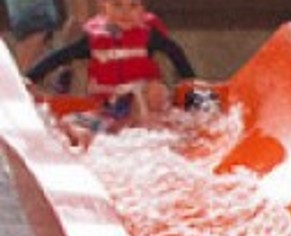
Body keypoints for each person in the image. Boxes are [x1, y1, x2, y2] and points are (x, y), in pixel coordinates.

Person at [22, 0, 195, 143]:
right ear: (104, 7)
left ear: (142, 11)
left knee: (157, 90)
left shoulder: (148, 35)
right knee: (74, 125)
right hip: (107, 104)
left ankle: (154, 131)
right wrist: (30, 77)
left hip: (140, 99)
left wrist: (190, 80)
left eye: (133, 6)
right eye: (117, 5)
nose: (124, 13)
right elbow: (60, 56)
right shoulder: (94, 39)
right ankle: (84, 133)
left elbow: (174, 52)